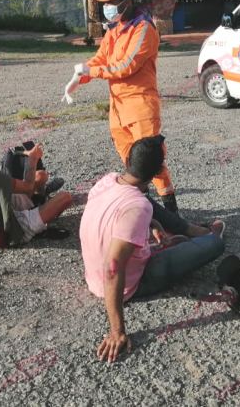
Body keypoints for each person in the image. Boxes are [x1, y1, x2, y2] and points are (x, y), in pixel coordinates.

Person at [79, 136, 226, 363]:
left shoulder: (106, 180)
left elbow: (119, 211)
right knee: (215, 243)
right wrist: (117, 331)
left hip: (92, 276)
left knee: (143, 200)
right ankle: (197, 236)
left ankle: (180, 238)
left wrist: (153, 223)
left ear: (128, 160)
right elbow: (112, 268)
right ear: (159, 170)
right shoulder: (139, 206)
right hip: (128, 285)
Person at [62, 0, 180, 213]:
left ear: (126, 2)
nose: (106, 6)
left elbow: (126, 66)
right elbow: (100, 59)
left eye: (111, 1)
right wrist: (79, 77)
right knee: (130, 163)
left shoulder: (143, 28)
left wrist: (91, 71)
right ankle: (143, 210)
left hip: (141, 107)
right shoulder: (114, 30)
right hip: (118, 109)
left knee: (152, 163)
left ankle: (170, 210)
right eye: (104, 1)